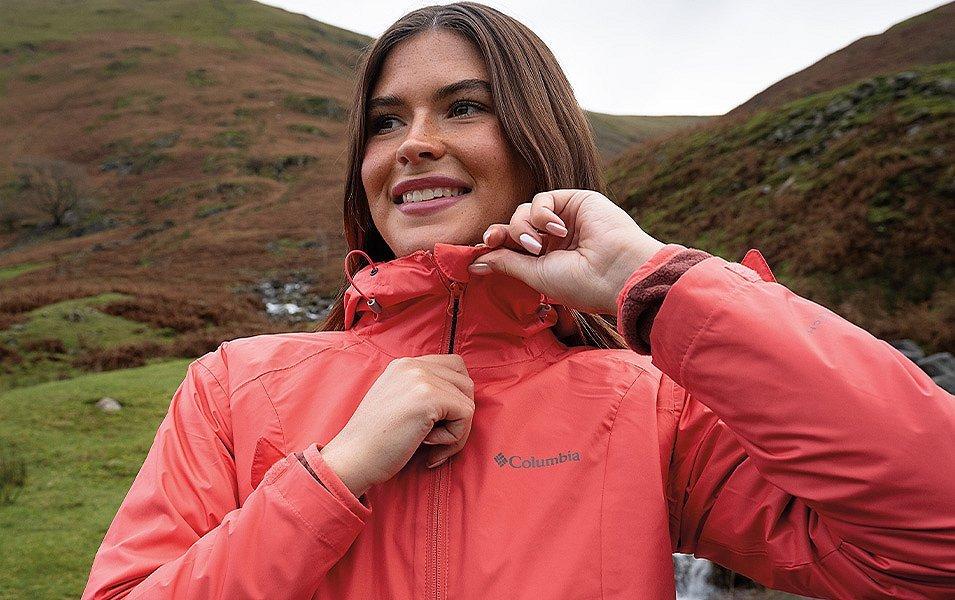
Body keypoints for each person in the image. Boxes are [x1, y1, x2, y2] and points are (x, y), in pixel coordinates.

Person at [82, 3, 955, 599]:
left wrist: (656, 286)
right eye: (385, 122)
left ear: (539, 144)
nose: (414, 144)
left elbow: (931, 548)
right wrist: (334, 474)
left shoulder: (646, 407)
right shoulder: (233, 388)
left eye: (464, 108)